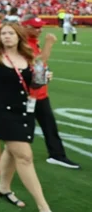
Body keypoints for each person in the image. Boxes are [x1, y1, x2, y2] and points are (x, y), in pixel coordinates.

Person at [0, 23, 63, 212]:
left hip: (24, 111)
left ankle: (3, 188)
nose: (7, 36)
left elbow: (33, 82)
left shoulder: (28, 57)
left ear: (19, 36)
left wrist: (44, 78)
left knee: (11, 152)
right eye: (3, 33)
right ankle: (44, 209)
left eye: (11, 33)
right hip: (2, 113)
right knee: (24, 156)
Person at [21, 15, 79, 169]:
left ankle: (57, 155)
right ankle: (13, 158)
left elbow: (39, 66)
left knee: (49, 125)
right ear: (25, 26)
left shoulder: (33, 41)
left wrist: (45, 73)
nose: (39, 30)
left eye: (40, 27)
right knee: (25, 130)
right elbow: (37, 61)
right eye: (35, 27)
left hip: (39, 93)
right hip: (26, 95)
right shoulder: (21, 43)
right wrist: (49, 44)